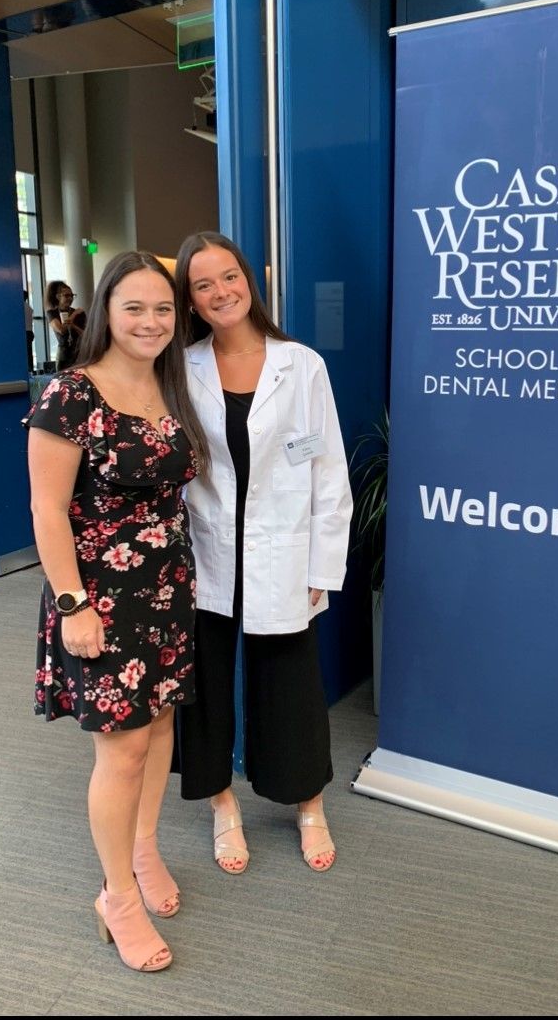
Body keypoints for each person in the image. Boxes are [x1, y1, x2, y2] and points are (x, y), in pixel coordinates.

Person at [23, 250, 209, 972]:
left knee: (159, 725)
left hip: (167, 587)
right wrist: (73, 604)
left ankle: (143, 848)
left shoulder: (170, 382)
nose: (151, 321)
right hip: (99, 596)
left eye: (163, 309)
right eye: (135, 307)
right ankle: (117, 896)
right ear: (106, 310)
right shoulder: (71, 394)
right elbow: (46, 509)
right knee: (122, 748)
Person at [173, 231, 352, 874]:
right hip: (208, 551)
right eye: (203, 284)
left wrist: (322, 565)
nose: (221, 292)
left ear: (249, 280)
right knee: (205, 685)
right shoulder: (181, 366)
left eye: (229, 276)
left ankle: (308, 803)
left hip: (283, 550)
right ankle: (221, 803)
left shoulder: (300, 365)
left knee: (291, 682)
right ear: (190, 300)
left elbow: (327, 468)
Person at [45, 279, 86, 371]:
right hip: (63, 354)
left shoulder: (80, 313)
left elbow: (85, 335)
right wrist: (74, 315)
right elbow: (61, 330)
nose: (70, 298)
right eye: (66, 295)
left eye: (72, 295)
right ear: (58, 297)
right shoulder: (52, 313)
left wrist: (74, 326)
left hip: (79, 352)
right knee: (63, 377)